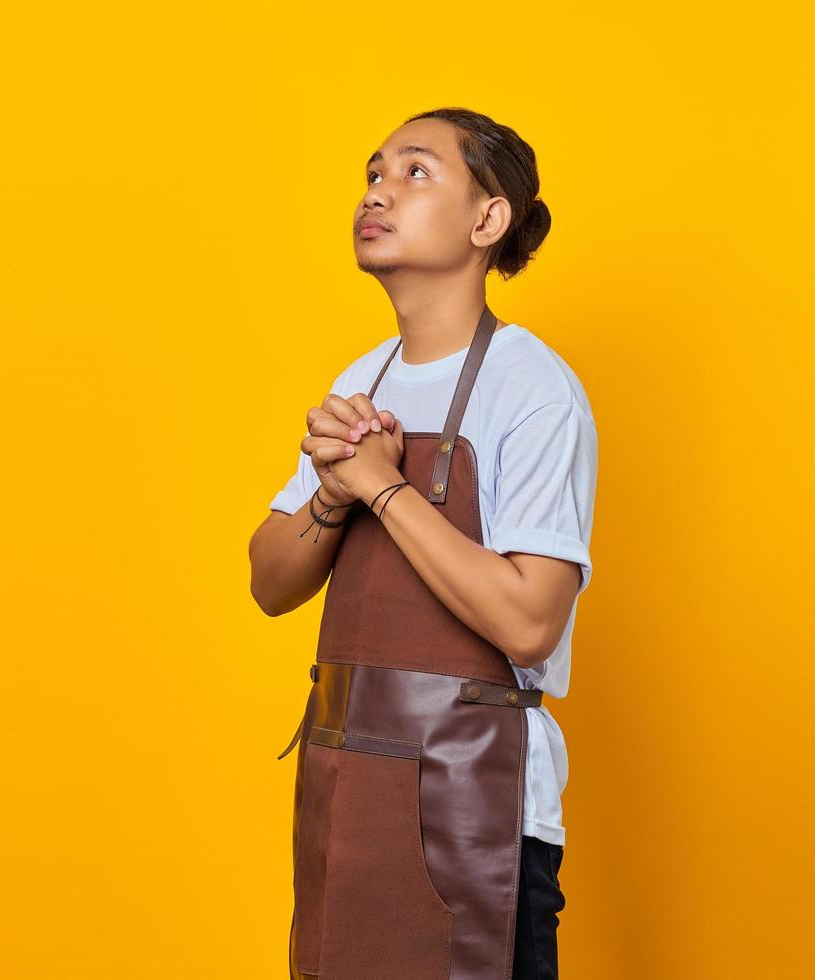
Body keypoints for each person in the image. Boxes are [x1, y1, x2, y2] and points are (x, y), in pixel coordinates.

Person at [248, 107, 597, 980]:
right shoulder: (359, 378)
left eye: (414, 172)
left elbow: (528, 624)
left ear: (488, 221)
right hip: (349, 789)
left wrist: (380, 485)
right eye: (372, 174)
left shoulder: (534, 387)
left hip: (474, 808)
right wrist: (333, 490)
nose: (377, 192)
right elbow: (269, 580)